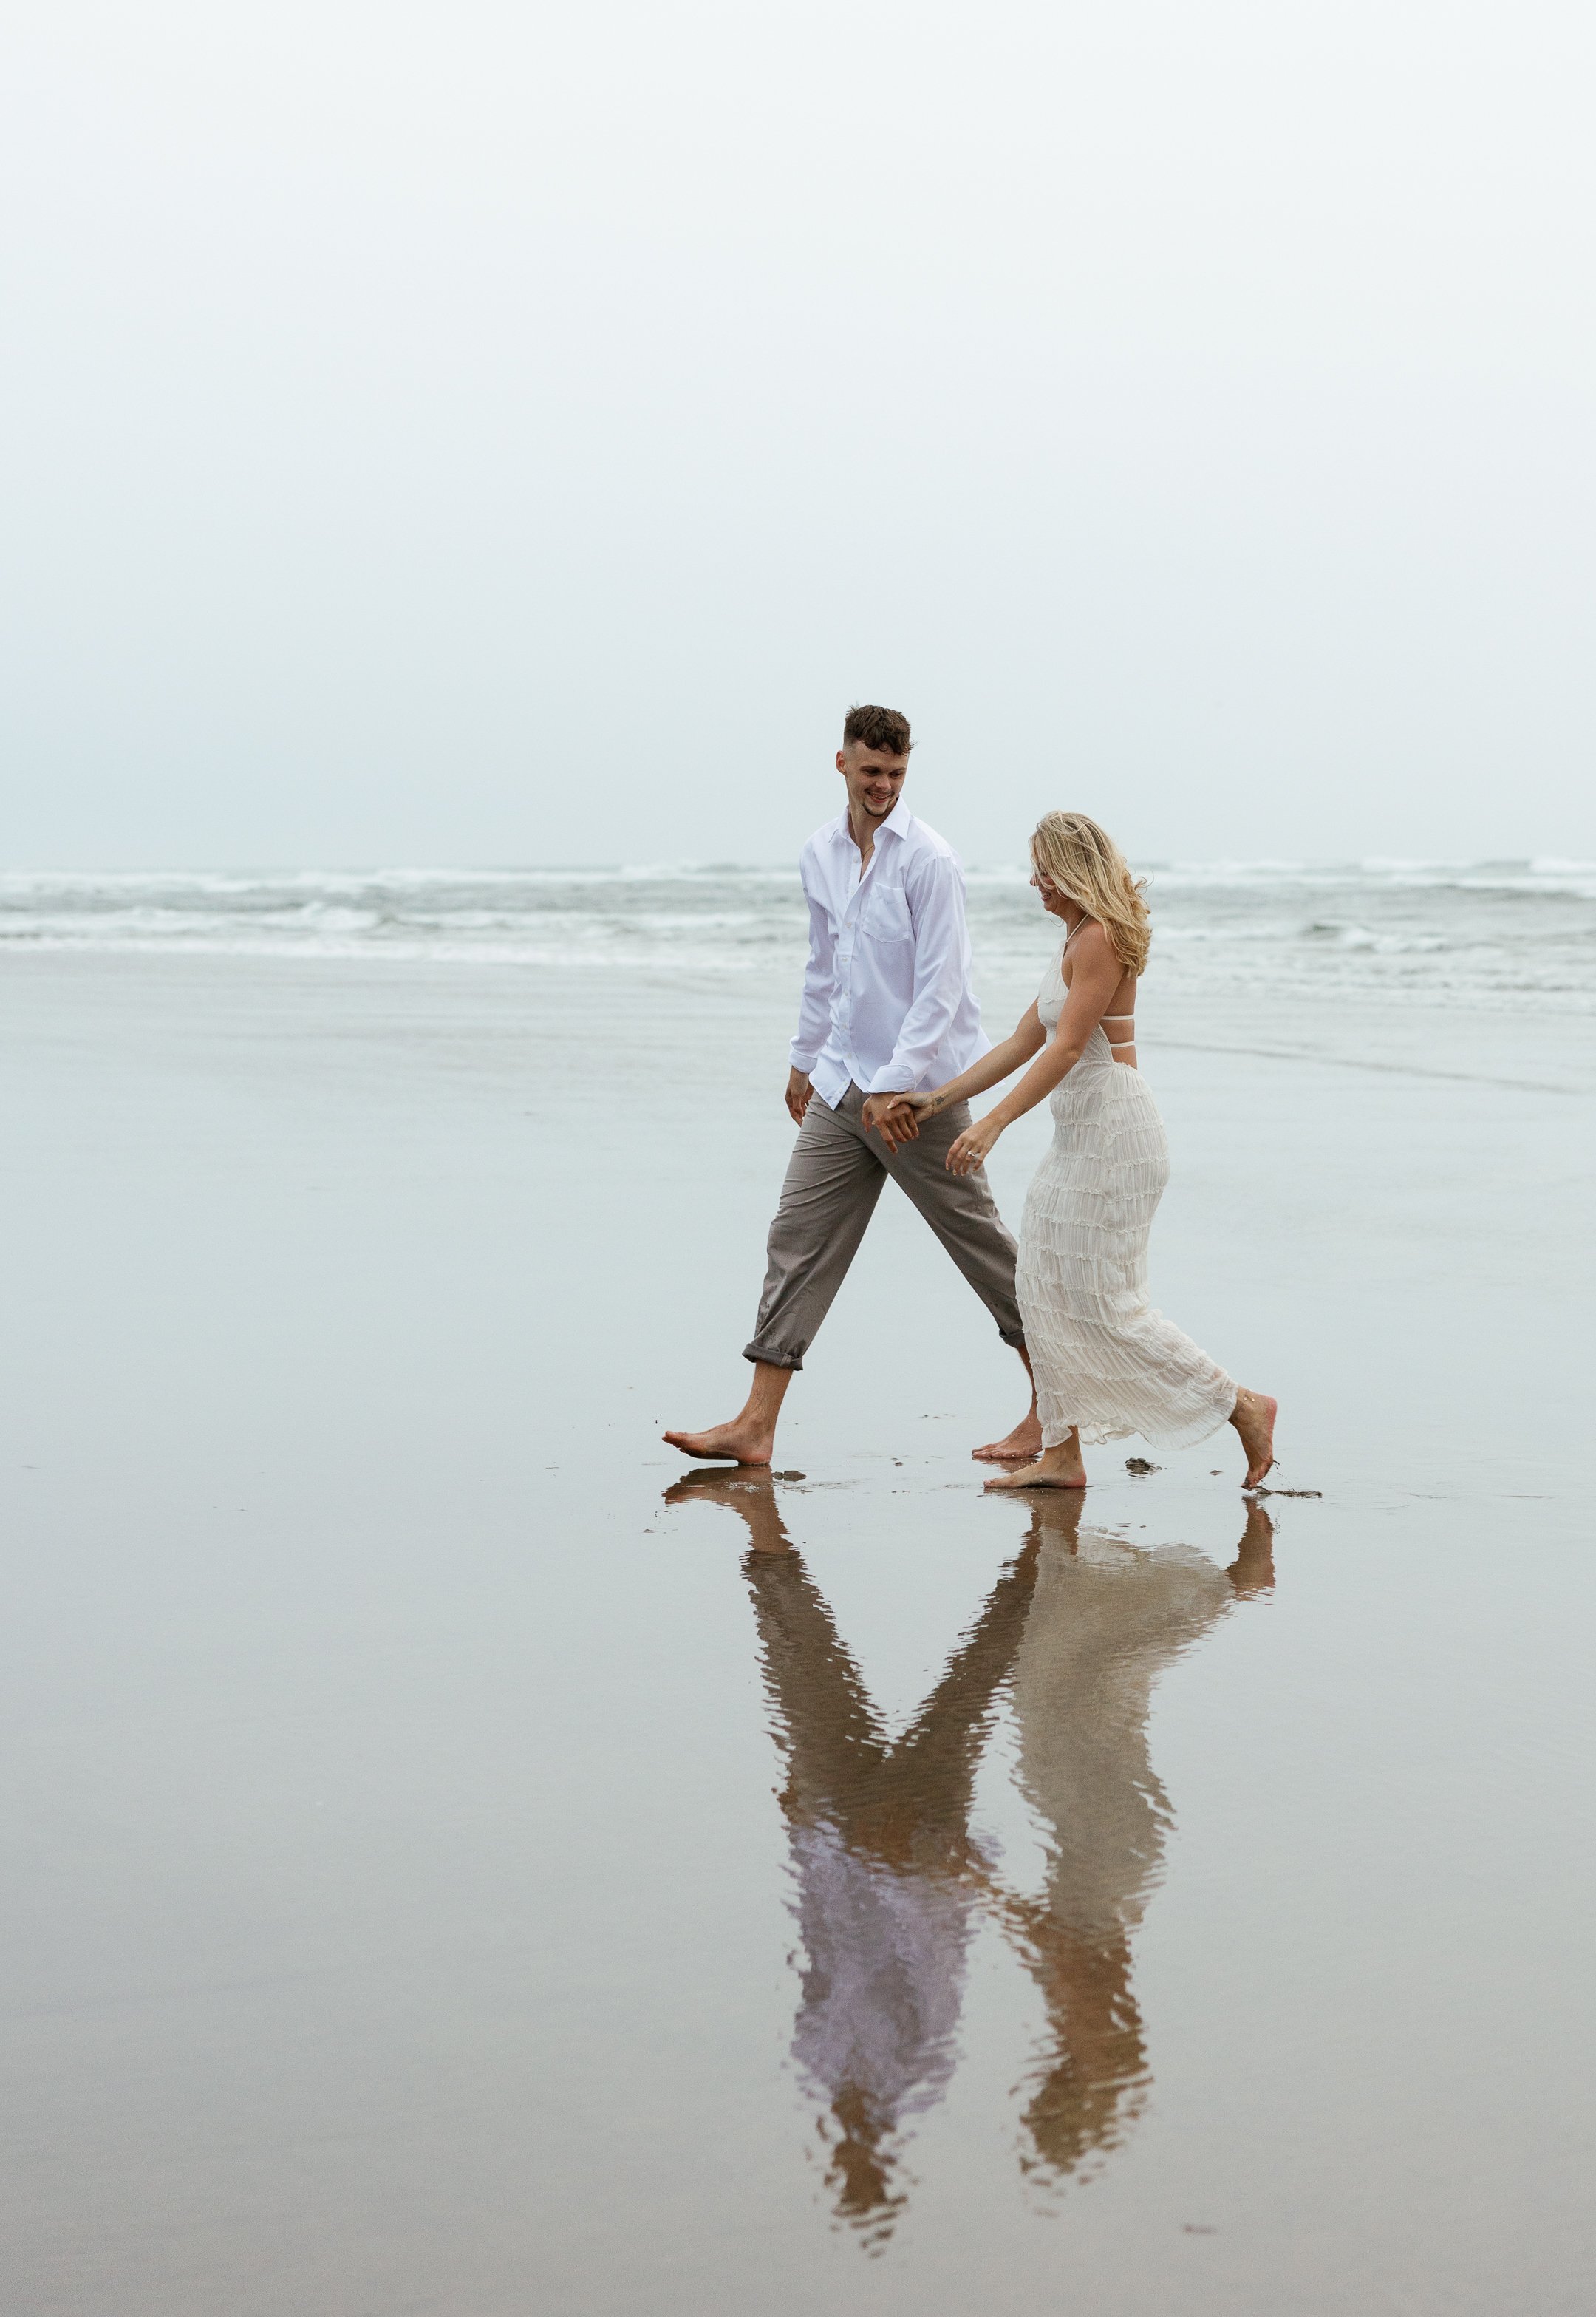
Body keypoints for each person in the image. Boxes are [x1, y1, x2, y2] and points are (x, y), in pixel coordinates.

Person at [664, 704, 1040, 1469]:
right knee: (796, 1238)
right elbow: (824, 965)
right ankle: (756, 1425)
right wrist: (804, 1058)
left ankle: (1055, 1411)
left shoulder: (930, 861)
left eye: (896, 773)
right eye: (871, 771)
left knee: (982, 1250)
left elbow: (940, 990)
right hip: (842, 1086)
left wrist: (895, 1085)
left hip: (918, 1097)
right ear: (841, 763)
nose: (884, 786)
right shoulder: (820, 852)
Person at [883, 811, 1278, 1490]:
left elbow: (1067, 1049)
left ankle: (1243, 1405)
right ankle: (1062, 1454)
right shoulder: (1073, 937)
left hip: (1116, 1139)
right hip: (1080, 1137)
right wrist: (937, 1100)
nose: (1034, 882)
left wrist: (995, 1123)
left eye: (1044, 869)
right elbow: (1022, 1041)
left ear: (1072, 870)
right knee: (1040, 1287)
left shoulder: (1100, 937)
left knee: (1107, 1304)